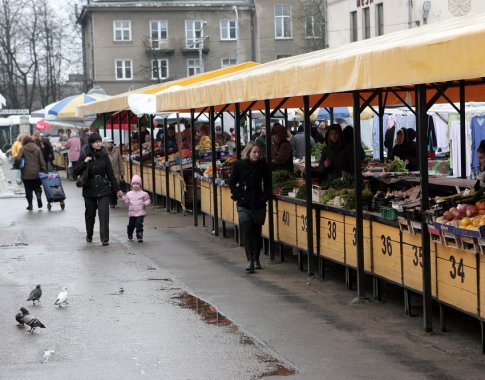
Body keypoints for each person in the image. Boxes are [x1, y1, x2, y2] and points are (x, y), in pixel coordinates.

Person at [228, 141, 270, 272]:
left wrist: (265, 197)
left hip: (258, 203)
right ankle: (250, 260)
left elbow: (268, 183)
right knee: (247, 230)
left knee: (257, 232)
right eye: (254, 152)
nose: (257, 155)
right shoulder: (239, 165)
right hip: (244, 204)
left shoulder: (263, 165)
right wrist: (238, 195)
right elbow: (232, 182)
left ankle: (256, 258)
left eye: (258, 152)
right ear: (248, 152)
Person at [74, 133, 122, 246]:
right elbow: (76, 171)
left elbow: (110, 173)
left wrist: (117, 190)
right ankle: (89, 234)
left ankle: (104, 238)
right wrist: (84, 162)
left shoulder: (104, 155)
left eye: (99, 141)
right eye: (96, 142)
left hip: (103, 187)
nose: (98, 144)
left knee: (104, 213)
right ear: (91, 143)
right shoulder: (84, 154)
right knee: (90, 214)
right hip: (89, 188)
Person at [14, 135, 47, 210]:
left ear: (24, 141)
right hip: (37, 173)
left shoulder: (22, 149)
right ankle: (38, 195)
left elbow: (18, 158)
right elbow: (42, 161)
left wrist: (17, 165)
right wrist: (44, 170)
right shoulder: (37, 148)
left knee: (28, 189)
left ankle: (30, 205)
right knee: (37, 186)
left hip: (26, 173)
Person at [121, 174, 151, 242]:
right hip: (132, 212)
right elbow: (126, 201)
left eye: (137, 184)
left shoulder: (144, 194)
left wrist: (145, 204)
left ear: (140, 184)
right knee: (131, 225)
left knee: (139, 224)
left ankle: (139, 235)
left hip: (140, 212)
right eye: (134, 184)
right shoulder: (129, 194)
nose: (136, 185)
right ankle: (129, 233)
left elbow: (148, 200)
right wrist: (122, 197)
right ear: (131, 184)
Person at [103, 136, 125, 208]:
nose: (110, 143)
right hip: (107, 173)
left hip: (116, 172)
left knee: (115, 187)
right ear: (104, 143)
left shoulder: (117, 150)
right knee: (109, 188)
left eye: (110, 142)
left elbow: (120, 162)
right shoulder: (103, 151)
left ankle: (114, 200)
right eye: (108, 142)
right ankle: (112, 202)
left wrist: (122, 173)